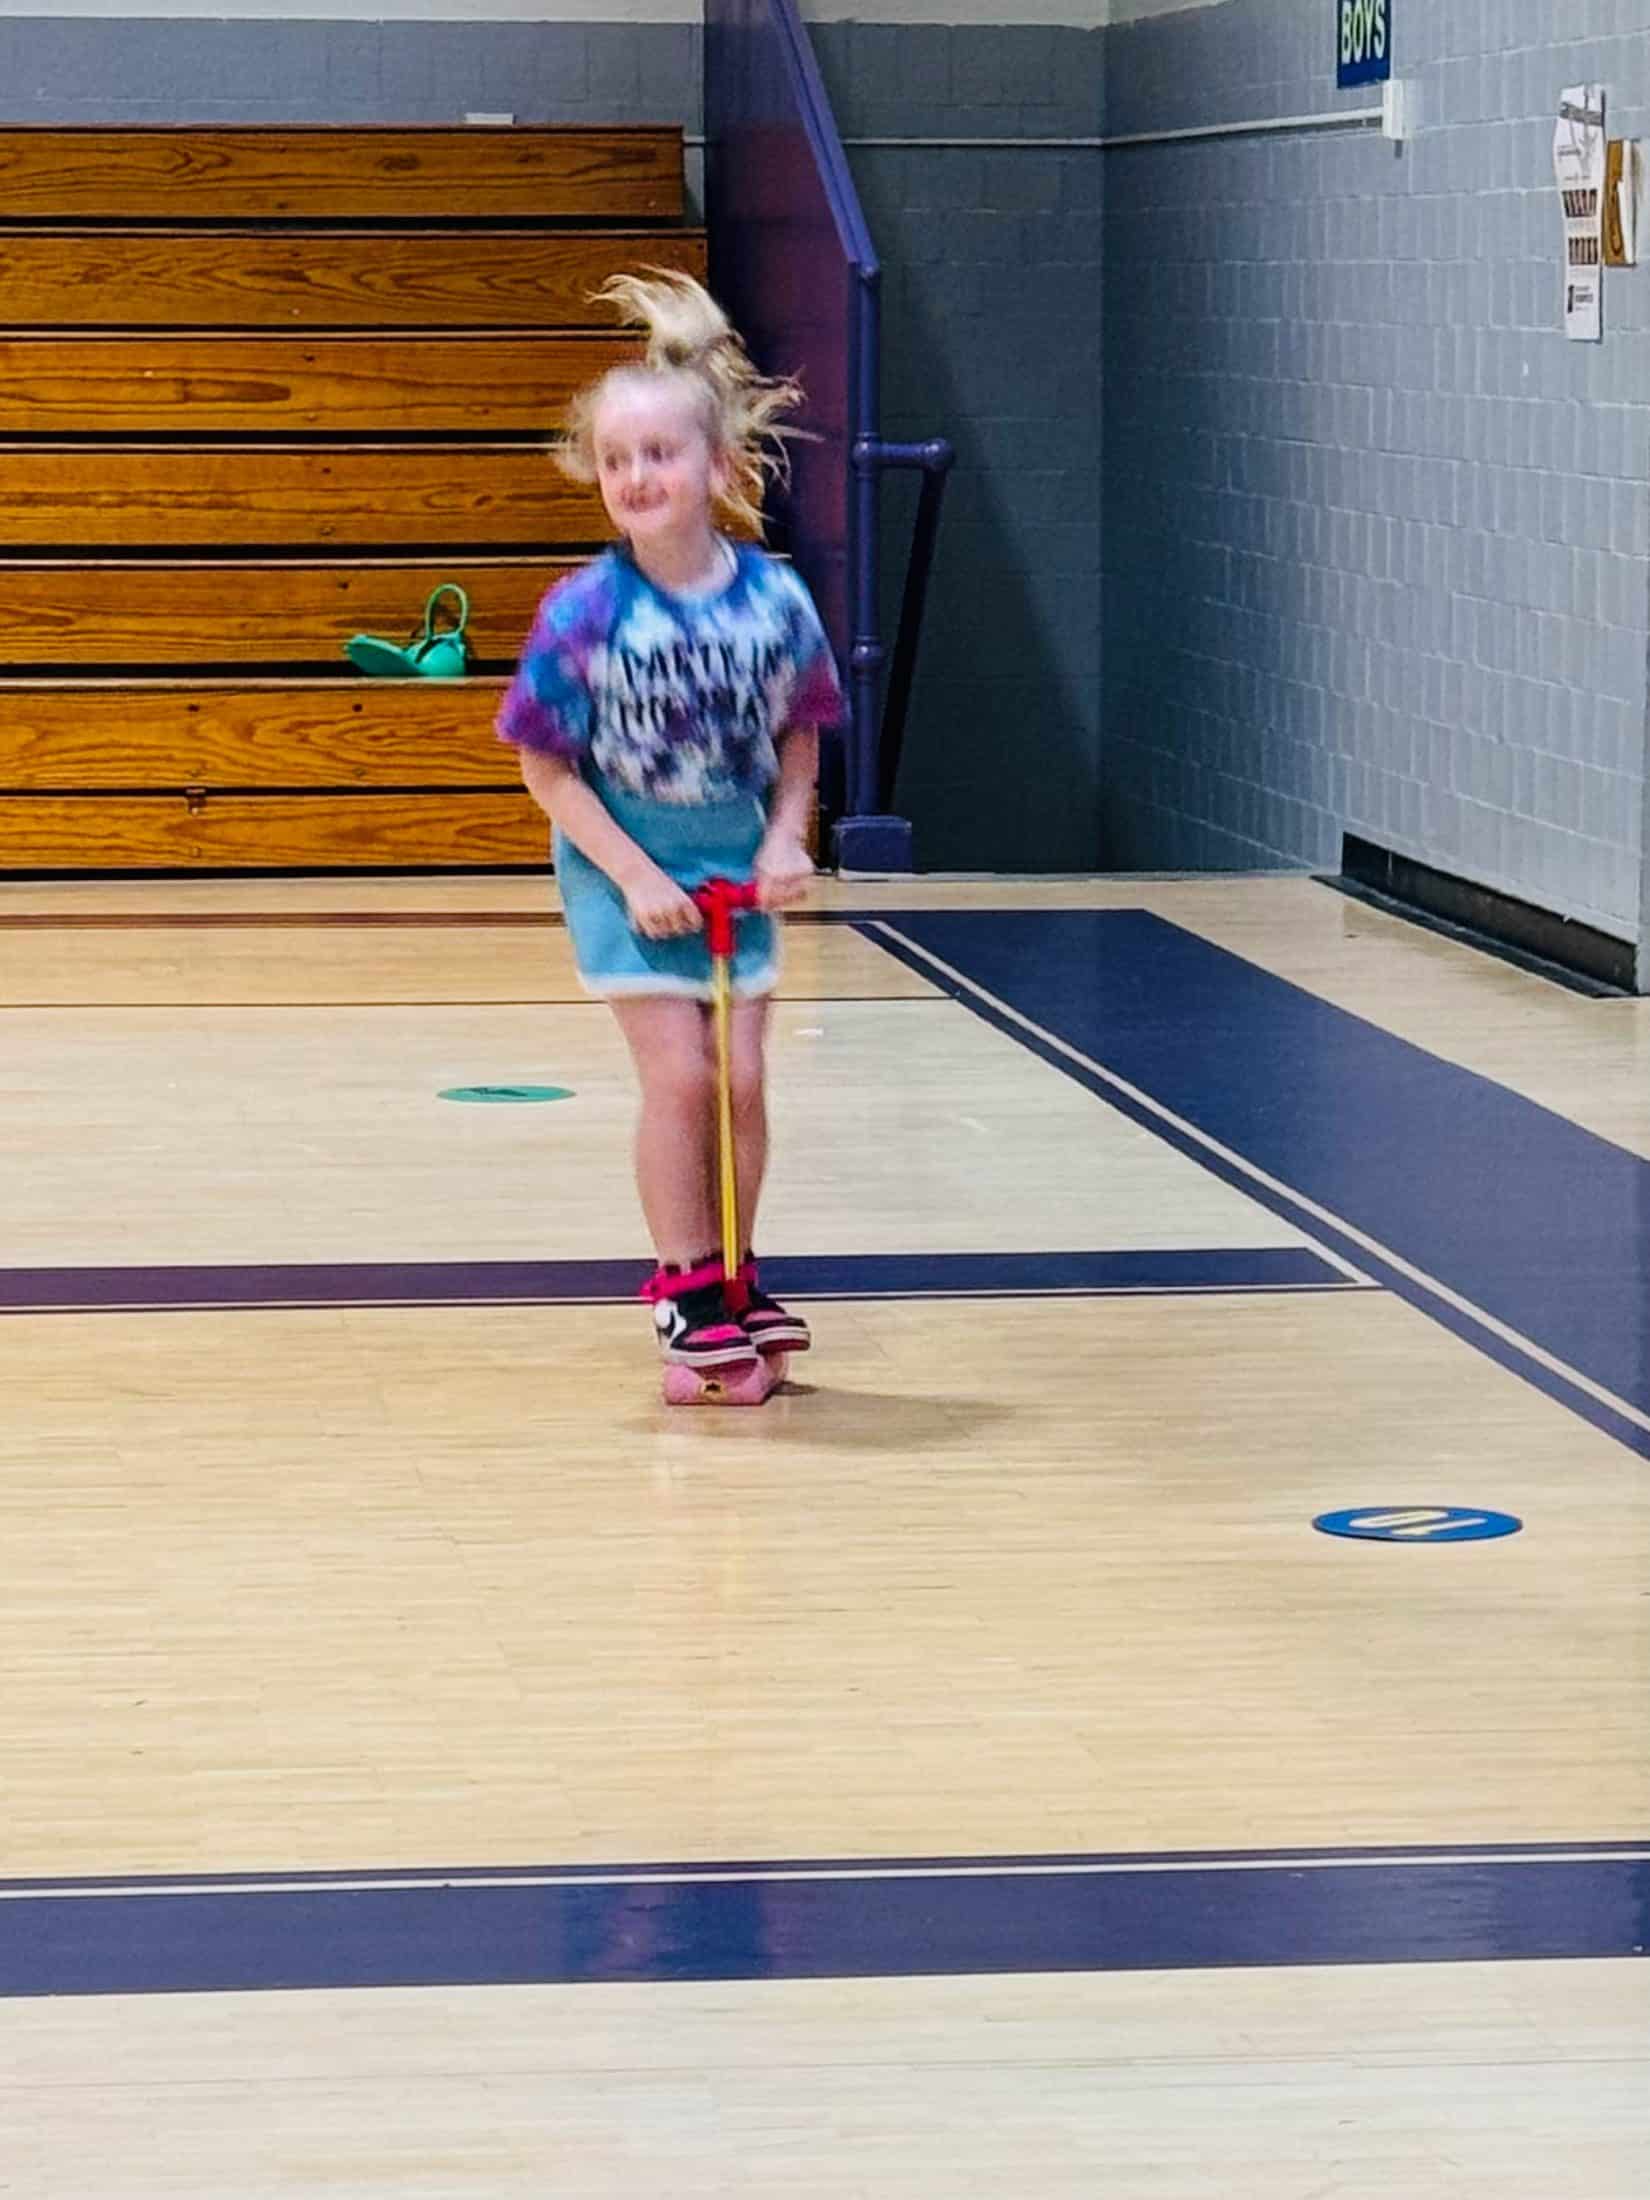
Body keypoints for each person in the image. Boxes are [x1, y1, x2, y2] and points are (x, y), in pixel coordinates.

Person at [497, 270, 844, 1374]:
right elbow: (545, 768)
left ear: (720, 467)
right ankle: (684, 1283)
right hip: (623, 868)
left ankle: (738, 1272)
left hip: (732, 859)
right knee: (682, 1078)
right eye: (616, 460)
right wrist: (635, 874)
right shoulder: (585, 612)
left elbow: (802, 731)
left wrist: (786, 835)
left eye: (660, 454)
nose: (636, 477)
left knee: (740, 1081)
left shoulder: (774, 602)